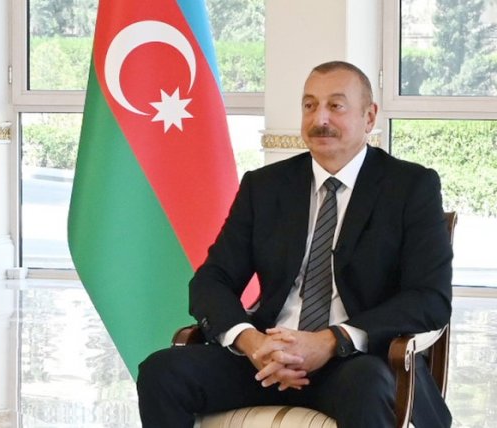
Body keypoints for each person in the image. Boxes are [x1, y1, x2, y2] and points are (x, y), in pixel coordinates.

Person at [137, 60, 453, 428]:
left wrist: (332, 340)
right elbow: (212, 280)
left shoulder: (410, 187)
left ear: (369, 117)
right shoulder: (265, 186)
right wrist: (251, 342)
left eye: (336, 106)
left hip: (354, 363)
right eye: (309, 105)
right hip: (268, 357)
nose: (320, 118)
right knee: (162, 372)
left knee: (369, 385)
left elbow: (430, 298)